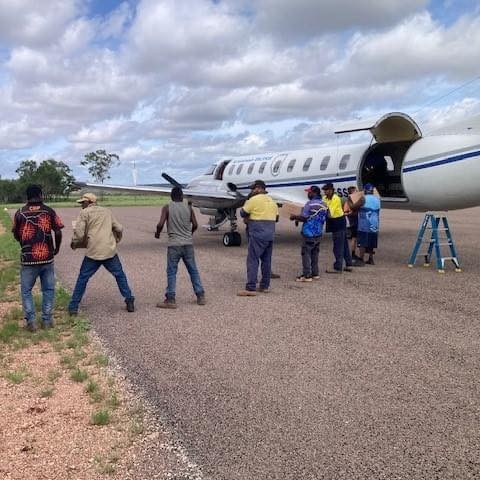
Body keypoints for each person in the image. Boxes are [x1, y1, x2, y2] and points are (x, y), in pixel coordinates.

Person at [68, 193, 135, 314]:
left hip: (93, 251)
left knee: (83, 278)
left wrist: (74, 243)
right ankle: (129, 300)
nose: (81, 205)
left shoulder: (84, 213)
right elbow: (119, 228)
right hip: (109, 250)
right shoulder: (107, 211)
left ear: (89, 202)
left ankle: (73, 307)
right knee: (119, 275)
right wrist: (117, 239)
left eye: (83, 202)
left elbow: (79, 234)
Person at [12, 184, 64, 331]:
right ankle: (47, 320)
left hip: (28, 259)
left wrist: (24, 243)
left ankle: (31, 321)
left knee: (26, 290)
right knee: (48, 289)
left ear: (27, 196)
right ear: (41, 195)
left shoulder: (20, 213)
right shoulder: (49, 211)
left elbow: (16, 233)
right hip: (47, 258)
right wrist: (56, 248)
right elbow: (58, 231)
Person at [155, 186, 205, 308]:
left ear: (171, 197)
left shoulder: (167, 207)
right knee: (193, 270)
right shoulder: (188, 208)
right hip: (188, 244)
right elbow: (195, 224)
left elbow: (160, 224)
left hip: (174, 244)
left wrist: (157, 233)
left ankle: (170, 299)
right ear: (182, 196)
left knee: (171, 272)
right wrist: (190, 233)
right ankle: (200, 295)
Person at [237, 180, 278, 296]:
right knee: (266, 260)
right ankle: (264, 286)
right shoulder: (272, 201)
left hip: (257, 234)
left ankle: (250, 287)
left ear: (259, 188)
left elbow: (242, 213)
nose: (252, 191)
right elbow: (277, 218)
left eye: (253, 188)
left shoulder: (253, 200)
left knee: (253, 259)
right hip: (270, 234)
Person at [289, 186, 328, 282]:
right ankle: (315, 273)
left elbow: (304, 218)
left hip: (308, 233)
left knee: (306, 253)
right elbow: (328, 216)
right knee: (315, 253)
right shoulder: (324, 204)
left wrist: (294, 217)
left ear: (314, 193)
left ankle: (307, 275)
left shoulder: (309, 204)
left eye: (309, 192)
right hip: (318, 232)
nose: (308, 194)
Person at [322, 183, 353, 273]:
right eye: (324, 190)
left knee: (337, 246)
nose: (325, 192)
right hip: (333, 222)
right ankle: (349, 264)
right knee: (343, 244)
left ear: (331, 190)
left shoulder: (336, 199)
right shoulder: (324, 198)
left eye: (326, 190)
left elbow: (330, 214)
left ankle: (338, 267)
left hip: (338, 221)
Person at [351, 183, 381, 266]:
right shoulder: (377, 199)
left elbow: (353, 207)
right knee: (372, 242)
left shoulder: (363, 199)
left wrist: (351, 200)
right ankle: (371, 259)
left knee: (362, 242)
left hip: (364, 224)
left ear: (365, 190)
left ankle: (361, 259)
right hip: (374, 224)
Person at [345, 185, 360, 260]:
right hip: (353, 221)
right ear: (352, 192)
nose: (357, 191)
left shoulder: (351, 199)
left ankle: (353, 253)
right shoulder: (350, 200)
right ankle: (353, 254)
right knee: (354, 238)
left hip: (353, 221)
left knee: (355, 238)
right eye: (355, 191)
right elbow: (347, 212)